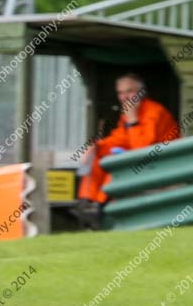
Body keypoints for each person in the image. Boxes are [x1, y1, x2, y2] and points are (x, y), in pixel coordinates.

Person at [76, 73, 179, 225]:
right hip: (144, 163)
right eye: (120, 93)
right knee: (98, 157)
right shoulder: (130, 113)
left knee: (118, 166)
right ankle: (86, 202)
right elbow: (120, 139)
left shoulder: (154, 112)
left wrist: (132, 122)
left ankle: (99, 207)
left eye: (129, 91)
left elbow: (141, 149)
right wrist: (97, 146)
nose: (124, 97)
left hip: (163, 164)